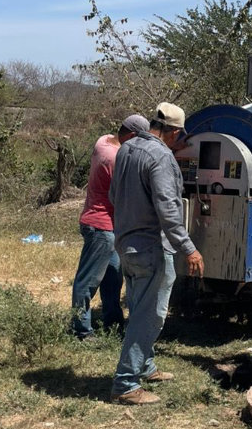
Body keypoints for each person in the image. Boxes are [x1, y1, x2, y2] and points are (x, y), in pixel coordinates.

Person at [108, 102, 205, 405]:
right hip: (151, 246)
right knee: (148, 316)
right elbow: (168, 208)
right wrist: (188, 248)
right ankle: (125, 384)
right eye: (180, 135)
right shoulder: (161, 156)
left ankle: (146, 366)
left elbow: (114, 195)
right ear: (173, 131)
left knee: (139, 306)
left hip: (126, 244)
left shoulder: (126, 148)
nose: (180, 141)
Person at [70, 114, 150, 341]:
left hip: (107, 226)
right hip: (101, 225)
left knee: (113, 277)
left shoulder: (103, 140)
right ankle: (80, 330)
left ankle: (114, 323)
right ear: (132, 136)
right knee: (88, 280)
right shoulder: (115, 159)